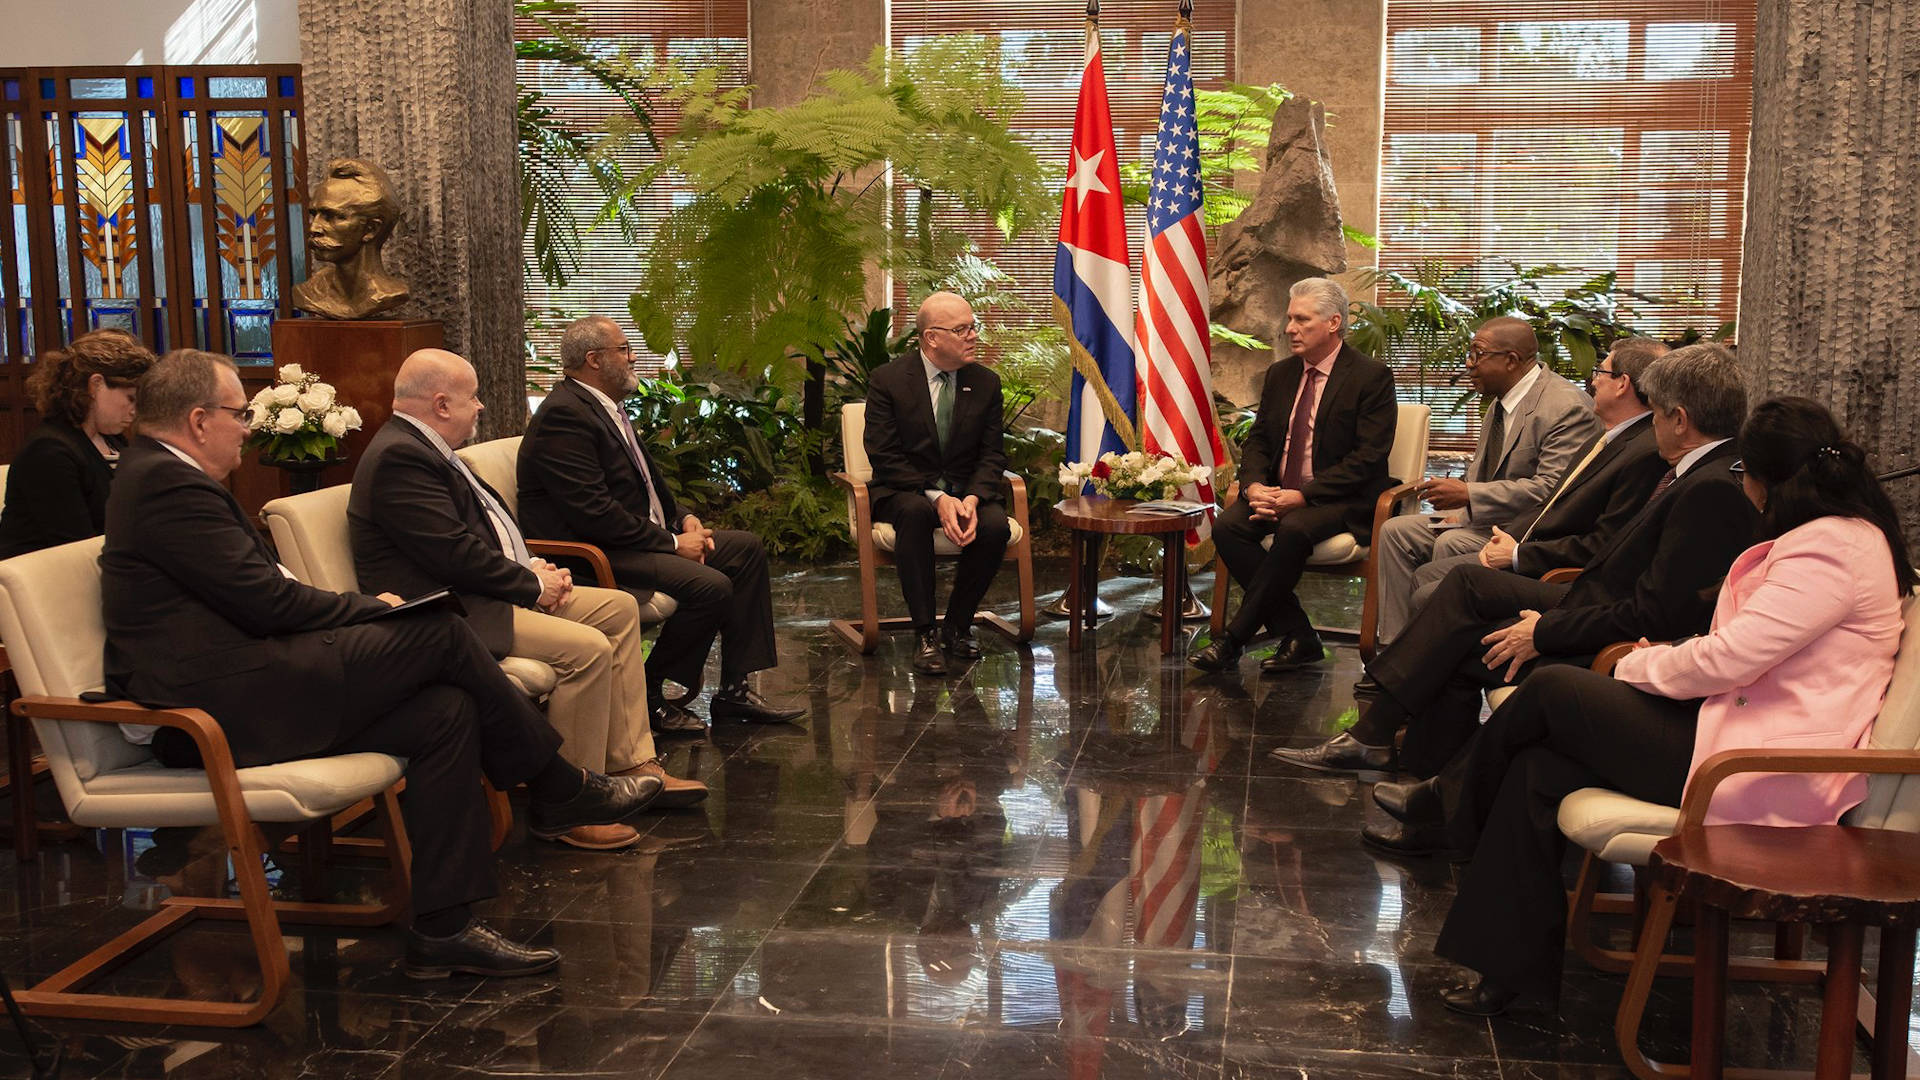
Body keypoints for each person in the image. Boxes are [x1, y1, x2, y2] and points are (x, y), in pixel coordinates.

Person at [103, 349, 662, 979]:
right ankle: (559, 787)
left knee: (444, 713)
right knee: (441, 633)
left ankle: (443, 927)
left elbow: (256, 594)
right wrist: (369, 610)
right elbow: (264, 601)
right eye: (240, 414)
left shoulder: (166, 475)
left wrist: (369, 612)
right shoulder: (165, 482)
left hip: (254, 679)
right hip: (214, 705)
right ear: (199, 421)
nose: (249, 427)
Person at [1372, 397, 1914, 1016]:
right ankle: (1508, 967)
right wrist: (1662, 657)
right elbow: (1733, 653)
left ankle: (1450, 808)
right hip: (1728, 731)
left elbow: (1727, 661)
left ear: (1769, 479)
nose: (1745, 489)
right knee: (1537, 769)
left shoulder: (1830, 551)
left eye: (1746, 476)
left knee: (1552, 691)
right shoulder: (1835, 536)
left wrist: (1636, 662)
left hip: (1759, 764)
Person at [1274, 344, 1759, 779]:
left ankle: (1390, 737)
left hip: (1606, 623)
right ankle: (1397, 746)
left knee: (1466, 630)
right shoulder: (1701, 471)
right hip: (1586, 594)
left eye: (1654, 412)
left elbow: (1653, 608)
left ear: (1678, 418)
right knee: (1466, 586)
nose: (1648, 422)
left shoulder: (1709, 487)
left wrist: (1544, 628)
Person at [350, 348, 708, 851]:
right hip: (453, 610)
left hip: (485, 591)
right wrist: (530, 585)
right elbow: (452, 555)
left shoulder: (429, 447)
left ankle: (627, 762)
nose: (480, 407)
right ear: (441, 403)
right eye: (472, 398)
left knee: (618, 607)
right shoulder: (399, 456)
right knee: (586, 648)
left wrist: (530, 567)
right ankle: (570, 803)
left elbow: (478, 534)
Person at [517, 316, 805, 733]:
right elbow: (593, 513)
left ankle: (734, 691)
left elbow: (647, 482)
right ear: (594, 360)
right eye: (624, 349)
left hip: (632, 539)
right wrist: (671, 544)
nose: (633, 356)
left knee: (745, 549)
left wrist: (683, 517)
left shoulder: (605, 407)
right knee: (711, 585)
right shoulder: (564, 416)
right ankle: (649, 694)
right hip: (593, 553)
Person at [1383, 336, 1670, 652]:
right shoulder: (1601, 436)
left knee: (1440, 570)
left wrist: (1514, 549)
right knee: (1399, 534)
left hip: (1545, 557)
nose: (1469, 363)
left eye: (1599, 372)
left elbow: (1559, 504)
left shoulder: (1601, 427)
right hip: (1508, 529)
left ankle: (1418, 673)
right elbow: (1554, 502)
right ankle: (1394, 653)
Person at [1191, 277, 1398, 674]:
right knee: (1228, 526)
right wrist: (1253, 486)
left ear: (1333, 322)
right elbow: (1260, 442)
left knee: (1295, 529)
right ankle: (1300, 633)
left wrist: (1304, 495)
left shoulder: (1370, 377)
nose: (1290, 329)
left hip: (1342, 499)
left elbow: (1368, 458)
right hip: (1277, 492)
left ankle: (1233, 640)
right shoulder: (1281, 374)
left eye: (1302, 320)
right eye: (1290, 319)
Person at [1372, 316, 1601, 644]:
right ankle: (1395, 645)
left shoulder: (1565, 408)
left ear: (1511, 360)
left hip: (1527, 532)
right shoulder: (1501, 400)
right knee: (1396, 532)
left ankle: (1438, 651)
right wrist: (1464, 504)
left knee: (1452, 541)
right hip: (1486, 518)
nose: (1468, 364)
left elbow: (1551, 490)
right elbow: (1485, 472)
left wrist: (1469, 495)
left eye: (1477, 354)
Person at [862, 291, 1012, 676]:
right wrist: (937, 497)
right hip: (905, 489)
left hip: (967, 488)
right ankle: (924, 632)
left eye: (973, 326)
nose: (974, 335)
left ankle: (958, 626)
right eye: (962, 329)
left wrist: (974, 498)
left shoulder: (986, 382)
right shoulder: (888, 380)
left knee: (994, 526)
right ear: (931, 338)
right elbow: (884, 454)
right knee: (913, 514)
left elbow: (992, 454)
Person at [0, 329, 153, 558]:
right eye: (131, 398)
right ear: (96, 385)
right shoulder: (49, 452)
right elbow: (76, 548)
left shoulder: (112, 440)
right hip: (52, 583)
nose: (135, 410)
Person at [289, 159, 410, 319]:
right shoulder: (311, 292)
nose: (314, 228)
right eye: (314, 214)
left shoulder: (388, 294)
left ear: (371, 229)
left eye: (332, 216)